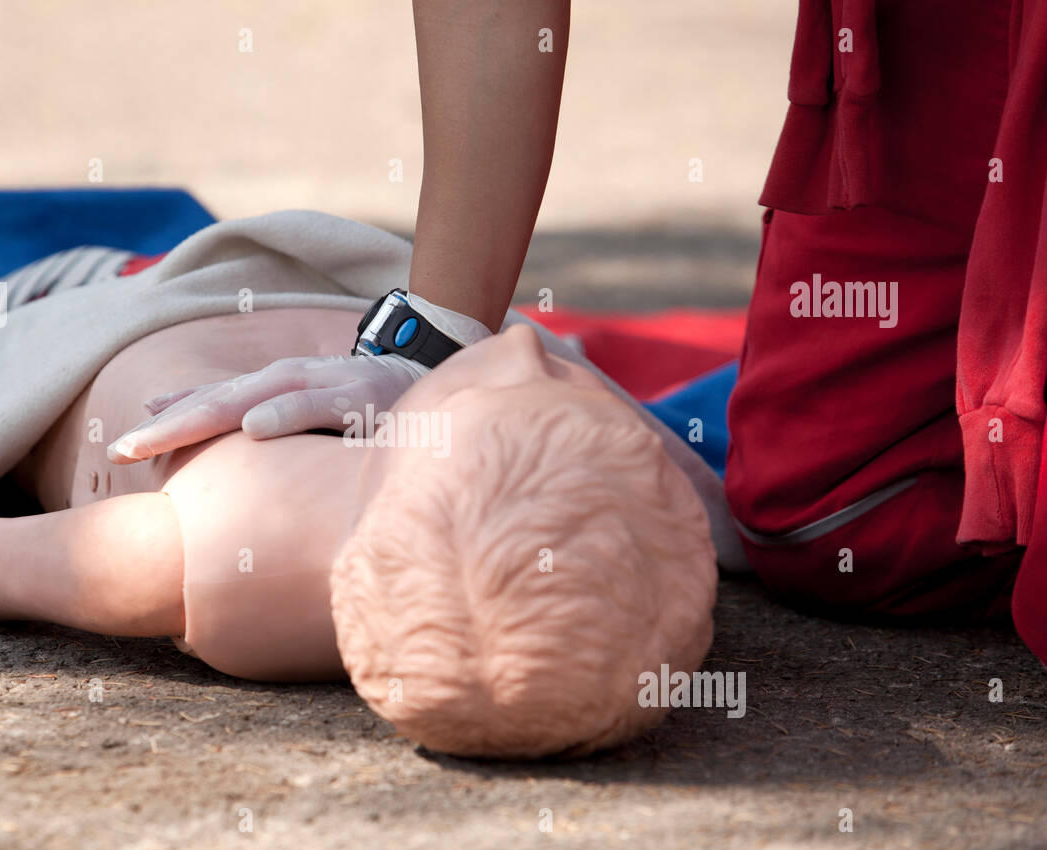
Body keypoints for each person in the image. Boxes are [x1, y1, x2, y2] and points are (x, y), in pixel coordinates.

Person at [110, 0, 1047, 665]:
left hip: (110, 316)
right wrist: (440, 334)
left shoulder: (257, 542)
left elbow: (38, 564)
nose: (528, 347)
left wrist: (432, 343)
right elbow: (32, 567)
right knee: (840, 523)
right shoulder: (253, 556)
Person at [0, 305, 716, 758]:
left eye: (503, 389)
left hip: (105, 315)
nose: (525, 352)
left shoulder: (215, 550)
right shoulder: (558, 584)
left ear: (414, 469)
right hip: (317, 297)